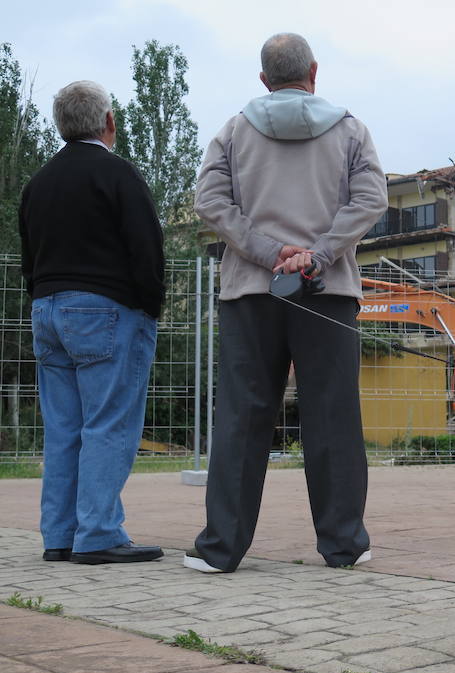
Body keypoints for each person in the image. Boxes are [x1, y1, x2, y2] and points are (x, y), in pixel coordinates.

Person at [185, 33, 387, 573]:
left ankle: (221, 549)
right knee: (332, 417)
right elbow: (372, 198)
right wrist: (316, 256)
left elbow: (209, 201)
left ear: (263, 80)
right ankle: (344, 545)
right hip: (329, 291)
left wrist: (270, 252)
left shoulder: (233, 131)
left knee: (242, 417)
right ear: (314, 72)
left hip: (251, 291)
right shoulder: (350, 129)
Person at [19, 80, 166, 564]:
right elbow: (146, 246)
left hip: (47, 310)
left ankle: (59, 535)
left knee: (64, 428)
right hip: (106, 309)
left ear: (61, 125)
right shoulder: (118, 174)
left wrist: (43, 299)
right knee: (109, 423)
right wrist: (149, 308)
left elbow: (28, 255)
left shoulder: (38, 183)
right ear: (109, 122)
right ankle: (99, 533)